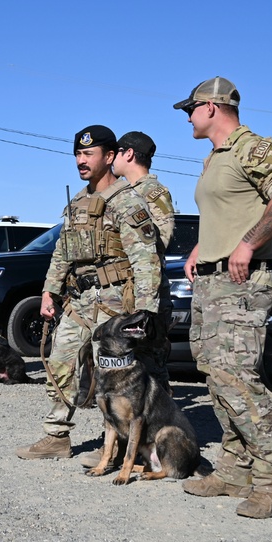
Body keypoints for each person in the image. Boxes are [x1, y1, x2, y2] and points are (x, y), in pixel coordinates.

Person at [174, 76, 272, 518]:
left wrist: (247, 244)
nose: (187, 117)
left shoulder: (253, 147)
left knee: (238, 380)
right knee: (216, 377)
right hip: (213, 282)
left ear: (211, 107)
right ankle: (234, 470)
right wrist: (200, 249)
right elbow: (228, 212)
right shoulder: (214, 157)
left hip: (243, 283)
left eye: (189, 108)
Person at [16, 125, 161, 460]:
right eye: (78, 154)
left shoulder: (127, 201)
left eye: (88, 154)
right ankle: (56, 437)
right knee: (59, 363)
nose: (81, 160)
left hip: (114, 303)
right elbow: (62, 252)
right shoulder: (78, 202)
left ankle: (121, 444)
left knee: (114, 375)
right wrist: (49, 291)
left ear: (109, 157)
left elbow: (145, 260)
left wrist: (145, 311)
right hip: (80, 301)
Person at [112, 131, 176, 391]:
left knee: (152, 358)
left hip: (149, 288)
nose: (111, 159)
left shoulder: (152, 190)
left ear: (128, 154)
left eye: (115, 152)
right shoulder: (124, 191)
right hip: (128, 286)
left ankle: (162, 420)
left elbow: (162, 238)